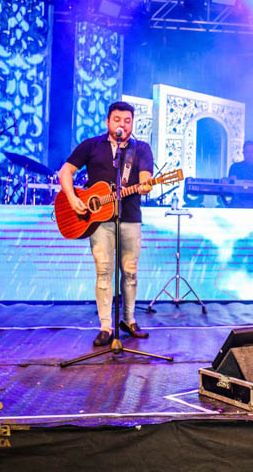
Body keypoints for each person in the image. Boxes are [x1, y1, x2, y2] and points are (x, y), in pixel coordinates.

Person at [59, 101, 153, 347]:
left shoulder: (141, 149)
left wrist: (146, 185)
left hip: (130, 217)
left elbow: (145, 178)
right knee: (103, 271)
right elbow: (65, 172)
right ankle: (105, 327)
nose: (123, 124)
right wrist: (73, 199)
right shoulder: (91, 145)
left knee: (130, 272)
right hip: (99, 221)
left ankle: (129, 320)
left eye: (127, 121)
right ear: (108, 122)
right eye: (117, 119)